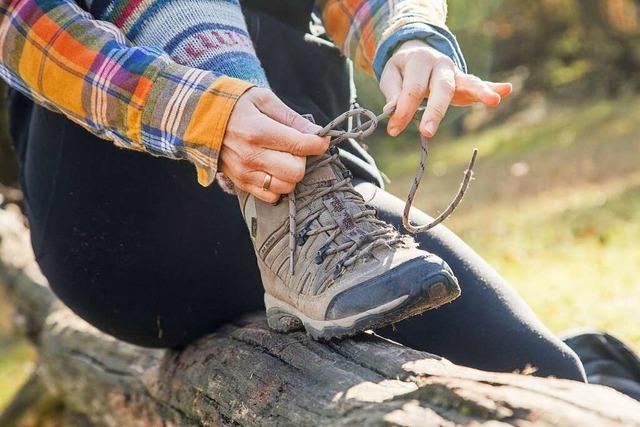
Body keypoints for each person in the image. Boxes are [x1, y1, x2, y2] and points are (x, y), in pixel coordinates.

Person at [1, 0, 586, 380]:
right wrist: (204, 116)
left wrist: (407, 37)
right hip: (130, 226)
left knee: (545, 373)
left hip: (331, 225)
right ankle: (284, 206)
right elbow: (18, 22)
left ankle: (605, 366)